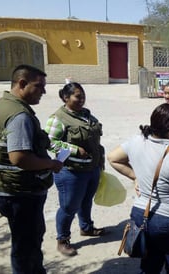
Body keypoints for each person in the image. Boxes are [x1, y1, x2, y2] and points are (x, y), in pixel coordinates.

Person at [0, 64, 63, 274]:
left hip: (5, 190)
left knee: (24, 243)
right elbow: (19, 158)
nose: (43, 91)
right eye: (39, 86)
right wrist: (51, 164)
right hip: (22, 194)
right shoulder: (20, 116)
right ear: (22, 84)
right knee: (26, 247)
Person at [107, 103, 169, 273]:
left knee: (149, 267)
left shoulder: (137, 140)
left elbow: (113, 158)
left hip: (142, 216)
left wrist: (136, 177)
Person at [44, 82, 105, 256]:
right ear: (66, 98)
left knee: (86, 201)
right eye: (77, 96)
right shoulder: (58, 118)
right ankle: (62, 239)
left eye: (83, 96)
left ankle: (86, 228)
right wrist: (74, 149)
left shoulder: (86, 115)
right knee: (69, 207)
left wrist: (100, 161)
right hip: (71, 172)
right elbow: (49, 143)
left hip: (91, 169)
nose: (81, 99)